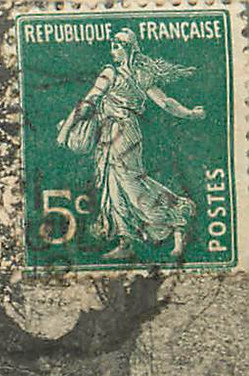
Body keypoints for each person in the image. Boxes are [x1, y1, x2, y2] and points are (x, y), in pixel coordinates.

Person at [55, 28, 205, 261]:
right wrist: (67, 127)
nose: (113, 50)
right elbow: (89, 102)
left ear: (129, 49)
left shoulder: (131, 75)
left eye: (118, 46)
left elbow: (165, 102)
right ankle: (126, 241)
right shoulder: (113, 73)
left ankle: (177, 215)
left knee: (131, 183)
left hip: (124, 133)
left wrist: (189, 114)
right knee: (114, 186)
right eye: (112, 46)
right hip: (109, 133)